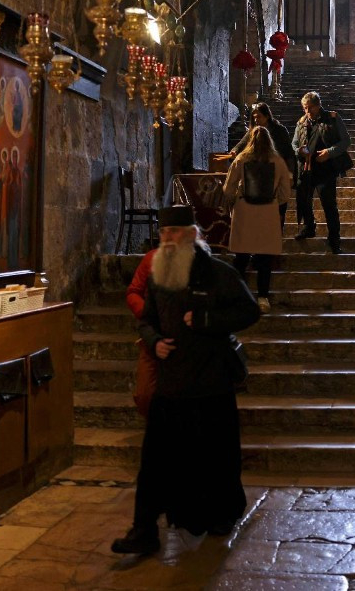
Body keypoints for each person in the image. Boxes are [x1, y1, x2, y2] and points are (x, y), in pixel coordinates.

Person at [114, 205, 261, 557]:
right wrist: (154, 342)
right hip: (171, 385)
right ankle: (144, 529)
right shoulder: (158, 275)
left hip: (210, 383)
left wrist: (208, 319)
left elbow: (249, 311)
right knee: (154, 462)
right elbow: (146, 320)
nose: (167, 239)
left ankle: (220, 514)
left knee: (215, 456)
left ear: (192, 235)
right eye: (163, 233)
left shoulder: (220, 273)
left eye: (174, 232)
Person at [223, 125, 292, 311]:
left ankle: (239, 296)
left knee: (241, 257)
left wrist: (235, 199)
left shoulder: (241, 159)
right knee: (265, 258)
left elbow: (228, 189)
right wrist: (274, 201)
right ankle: (263, 297)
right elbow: (285, 193)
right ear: (270, 141)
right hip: (268, 212)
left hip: (244, 210)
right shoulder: (278, 161)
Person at [292, 90, 351, 255]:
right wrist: (298, 150)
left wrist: (329, 152)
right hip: (306, 168)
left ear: (318, 105)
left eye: (310, 107)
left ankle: (334, 240)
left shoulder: (332, 118)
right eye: (305, 108)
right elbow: (294, 143)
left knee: (329, 205)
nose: (307, 111)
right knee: (304, 201)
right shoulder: (301, 122)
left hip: (326, 169)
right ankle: (309, 227)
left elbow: (346, 140)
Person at [230, 102, 296, 229]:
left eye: (259, 116)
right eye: (254, 117)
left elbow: (289, 153)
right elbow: (241, 144)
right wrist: (235, 151)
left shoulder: (280, 130)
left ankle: (278, 233)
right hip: (259, 174)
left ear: (267, 116)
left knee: (279, 207)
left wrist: (290, 174)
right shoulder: (254, 131)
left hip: (277, 171)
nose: (256, 120)